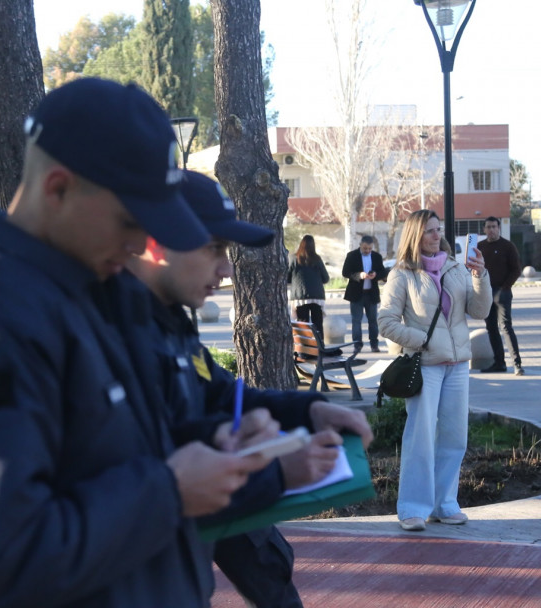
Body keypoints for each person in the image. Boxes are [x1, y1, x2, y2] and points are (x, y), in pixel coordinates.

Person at [0, 78, 275, 607]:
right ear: (57, 188)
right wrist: (169, 492)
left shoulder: (90, 292)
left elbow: (100, 454)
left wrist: (211, 445)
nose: (143, 243)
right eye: (129, 220)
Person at [124, 170, 374, 608]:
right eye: (214, 248)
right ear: (155, 243)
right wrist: (274, 473)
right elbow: (144, 480)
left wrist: (310, 410)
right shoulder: (115, 333)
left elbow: (223, 395)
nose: (225, 268)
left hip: (180, 573)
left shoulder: (166, 319)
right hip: (140, 578)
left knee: (270, 567)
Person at [378, 210, 491, 532]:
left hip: (457, 366)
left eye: (438, 230)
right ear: (415, 234)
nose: (436, 236)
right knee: (421, 438)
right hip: (426, 366)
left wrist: (480, 276)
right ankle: (412, 508)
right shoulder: (402, 274)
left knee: (455, 437)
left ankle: (445, 504)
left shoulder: (456, 268)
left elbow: (480, 311)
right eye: (429, 231)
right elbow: (386, 321)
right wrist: (421, 343)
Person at [477, 216, 524, 375]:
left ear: (499, 228)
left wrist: (505, 288)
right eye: (488, 227)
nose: (491, 230)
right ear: (484, 229)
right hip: (485, 292)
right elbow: (473, 267)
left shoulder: (507, 246)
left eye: (494, 227)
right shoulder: (480, 247)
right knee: (491, 328)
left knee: (505, 327)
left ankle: (517, 363)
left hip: (502, 293)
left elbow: (516, 269)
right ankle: (499, 363)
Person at [342, 235, 388, 354]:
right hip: (356, 293)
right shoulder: (352, 256)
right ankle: (357, 345)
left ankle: (374, 344)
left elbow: (382, 271)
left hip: (371, 293)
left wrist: (375, 275)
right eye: (365, 248)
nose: (367, 251)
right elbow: (345, 272)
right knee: (356, 320)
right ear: (360, 245)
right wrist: (359, 275)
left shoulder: (377, 257)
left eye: (369, 249)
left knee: (373, 320)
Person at [287, 235, 329, 332]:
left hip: (300, 296)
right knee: (318, 324)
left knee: (303, 324)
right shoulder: (317, 259)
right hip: (317, 296)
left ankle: (305, 346)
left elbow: (287, 278)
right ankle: (319, 345)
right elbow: (326, 278)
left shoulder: (294, 258)